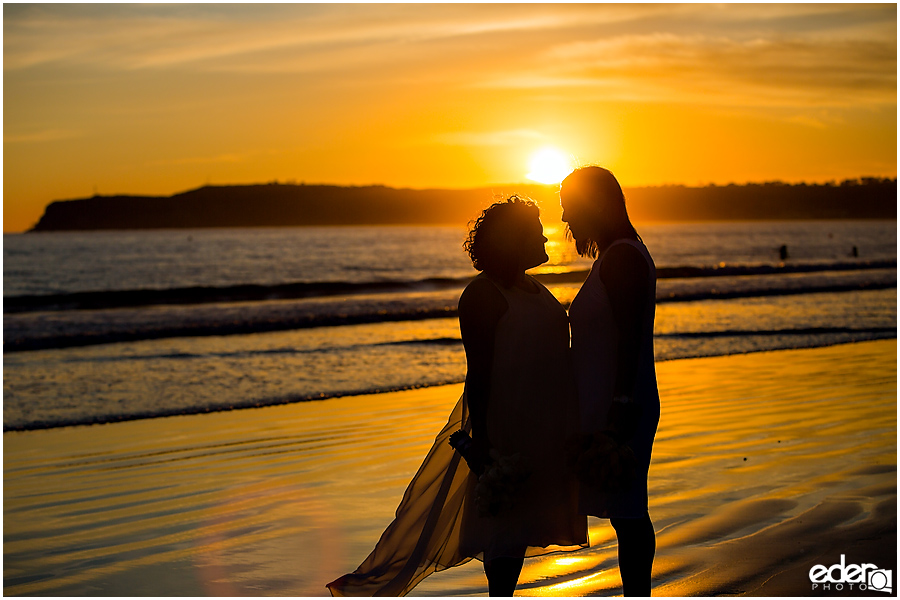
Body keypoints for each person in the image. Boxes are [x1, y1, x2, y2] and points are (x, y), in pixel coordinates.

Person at [326, 196, 587, 597]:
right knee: (505, 532)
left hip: (547, 428)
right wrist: (482, 441)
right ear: (514, 238)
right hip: (508, 429)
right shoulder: (482, 295)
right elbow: (478, 375)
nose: (546, 239)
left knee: (522, 528)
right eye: (536, 232)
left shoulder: (534, 287)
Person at [560, 166, 660, 597]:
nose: (565, 220)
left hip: (622, 406)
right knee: (626, 512)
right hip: (614, 403)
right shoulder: (617, 254)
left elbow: (630, 336)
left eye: (569, 209)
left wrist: (619, 408)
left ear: (595, 204)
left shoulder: (622, 258)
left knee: (629, 511)